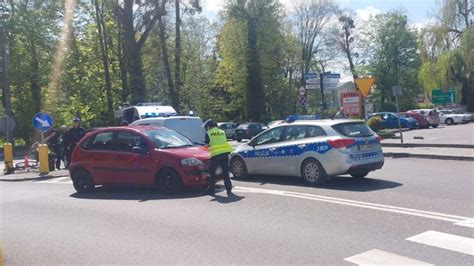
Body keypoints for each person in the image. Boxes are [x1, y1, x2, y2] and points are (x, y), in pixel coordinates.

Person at [203, 119, 233, 196]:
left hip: (216, 155)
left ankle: (211, 190)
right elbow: (222, 141)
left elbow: (206, 145)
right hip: (225, 154)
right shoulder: (222, 132)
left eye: (207, 127)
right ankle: (229, 190)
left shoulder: (209, 133)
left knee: (212, 173)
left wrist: (206, 145)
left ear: (209, 126)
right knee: (226, 173)